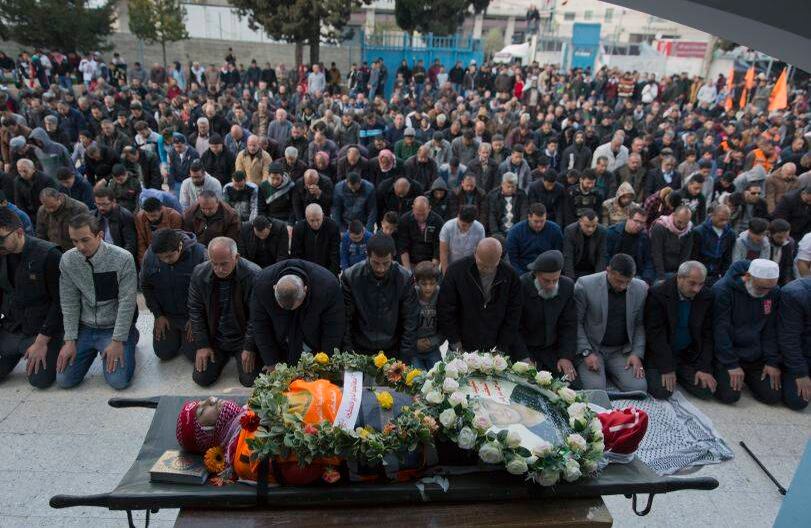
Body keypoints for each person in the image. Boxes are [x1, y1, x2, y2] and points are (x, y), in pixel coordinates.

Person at [56, 214, 138, 389]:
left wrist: (117, 340)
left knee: (118, 382)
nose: (80, 246)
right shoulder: (68, 260)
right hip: (85, 327)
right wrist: (69, 340)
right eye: (75, 241)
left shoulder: (123, 258)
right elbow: (69, 301)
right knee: (64, 380)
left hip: (113, 327)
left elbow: (127, 302)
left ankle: (130, 338)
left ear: (99, 235)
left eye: (85, 240)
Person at [0, 208, 63, 388]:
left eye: (1, 239)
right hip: (13, 326)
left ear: (19, 232)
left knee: (39, 380)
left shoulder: (48, 255)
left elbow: (60, 304)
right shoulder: (2, 255)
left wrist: (42, 341)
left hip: (41, 330)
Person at [187, 237, 262, 387]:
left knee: (250, 380)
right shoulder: (199, 273)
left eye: (224, 264)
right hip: (216, 337)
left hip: (242, 337)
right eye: (214, 264)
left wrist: (249, 347)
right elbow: (195, 309)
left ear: (236, 257)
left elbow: (256, 316)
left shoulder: (253, 274)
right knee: (201, 378)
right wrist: (202, 344)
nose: (219, 269)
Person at [712, 259, 783, 406]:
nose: (766, 293)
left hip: (755, 356)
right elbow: (720, 330)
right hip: (728, 354)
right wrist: (731, 364)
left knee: (772, 396)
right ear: (748, 276)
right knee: (730, 396)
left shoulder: (773, 292)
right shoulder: (723, 290)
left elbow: (770, 329)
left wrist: (772, 361)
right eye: (762, 288)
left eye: (770, 288)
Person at [574, 253, 648, 392]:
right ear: (608, 271)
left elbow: (639, 324)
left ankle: (611, 372)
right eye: (619, 281)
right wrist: (586, 352)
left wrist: (636, 353)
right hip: (593, 348)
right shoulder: (585, 285)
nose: (624, 286)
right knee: (595, 391)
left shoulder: (640, 288)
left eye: (628, 281)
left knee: (638, 387)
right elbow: (576, 323)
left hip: (620, 351)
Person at [251, 259, 345, 366]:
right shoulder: (261, 285)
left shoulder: (328, 287)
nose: (292, 310)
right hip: (280, 342)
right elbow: (260, 326)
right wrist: (271, 362)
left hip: (315, 341)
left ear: (305, 290)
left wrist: (326, 362)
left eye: (295, 306)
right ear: (274, 288)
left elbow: (334, 328)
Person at [644, 261, 716, 400]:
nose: (697, 289)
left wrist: (704, 367)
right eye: (692, 283)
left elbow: (707, 334)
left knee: (707, 390)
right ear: (679, 278)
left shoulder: (706, 296)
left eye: (701, 284)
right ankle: (673, 372)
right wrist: (667, 368)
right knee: (662, 391)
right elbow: (655, 335)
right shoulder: (658, 293)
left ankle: (681, 374)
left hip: (687, 355)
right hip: (662, 353)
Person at [341, 234, 419, 358]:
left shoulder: (404, 278)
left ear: (393, 256)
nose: (381, 269)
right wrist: (348, 355)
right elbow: (345, 320)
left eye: (386, 263)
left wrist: (405, 358)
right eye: (375, 263)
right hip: (359, 349)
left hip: (392, 349)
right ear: (368, 255)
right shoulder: (351, 277)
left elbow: (410, 320)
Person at [437, 238, 522, 352]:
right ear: (475, 252)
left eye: (491, 266)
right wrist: (455, 342)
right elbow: (446, 309)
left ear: (499, 258)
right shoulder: (456, 271)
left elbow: (513, 315)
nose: (486, 270)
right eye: (482, 265)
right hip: (460, 343)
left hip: (495, 347)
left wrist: (502, 347)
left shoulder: (510, 276)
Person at [510, 250, 578, 386]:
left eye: (555, 280)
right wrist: (523, 358)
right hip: (525, 350)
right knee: (529, 387)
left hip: (552, 350)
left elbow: (569, 325)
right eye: (546, 281)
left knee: (570, 386)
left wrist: (565, 356)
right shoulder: (521, 286)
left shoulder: (567, 286)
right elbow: (513, 328)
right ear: (536, 274)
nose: (551, 285)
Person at [141, 229, 207, 361]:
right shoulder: (150, 255)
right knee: (163, 353)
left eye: (170, 256)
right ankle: (177, 336)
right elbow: (146, 286)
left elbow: (208, 292)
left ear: (180, 246)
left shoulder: (200, 255)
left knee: (194, 355)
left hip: (192, 315)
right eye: (161, 257)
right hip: (167, 315)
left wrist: (197, 319)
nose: (166, 260)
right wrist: (158, 315)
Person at [778, 277, 811, 411]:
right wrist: (800, 373)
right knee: (798, 401)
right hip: (798, 356)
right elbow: (789, 338)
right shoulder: (795, 294)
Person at [505, 203, 563, 275]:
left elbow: (558, 255)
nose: (539, 225)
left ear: (546, 217)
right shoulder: (515, 232)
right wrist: (522, 277)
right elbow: (512, 260)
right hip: (523, 271)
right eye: (536, 221)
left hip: (548, 272)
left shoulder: (555, 230)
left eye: (542, 221)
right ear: (529, 217)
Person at [290, 204, 340, 275]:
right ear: (306, 218)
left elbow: (335, 255)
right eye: (312, 220)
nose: (316, 224)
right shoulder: (298, 229)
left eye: (318, 220)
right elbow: (295, 255)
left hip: (327, 269)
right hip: (306, 269)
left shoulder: (332, 227)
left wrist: (331, 275)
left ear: (322, 215)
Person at [691, 203, 735, 285]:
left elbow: (727, 257)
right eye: (721, 219)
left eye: (727, 220)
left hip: (717, 274)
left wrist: (724, 276)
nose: (724, 223)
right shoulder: (699, 232)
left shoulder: (730, 234)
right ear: (712, 216)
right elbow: (694, 255)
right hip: (699, 272)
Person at [650, 205, 694, 282]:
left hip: (676, 271)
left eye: (685, 223)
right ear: (673, 215)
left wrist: (680, 275)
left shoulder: (689, 230)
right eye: (679, 222)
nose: (682, 226)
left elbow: (686, 254)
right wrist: (661, 277)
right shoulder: (660, 227)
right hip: (658, 270)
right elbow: (657, 253)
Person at [397, 196, 443, 270]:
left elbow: (438, 247)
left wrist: (432, 268)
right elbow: (403, 246)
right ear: (413, 208)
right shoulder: (404, 220)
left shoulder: (438, 221)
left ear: (429, 208)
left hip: (429, 262)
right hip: (410, 261)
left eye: (424, 214)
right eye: (418, 214)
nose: (421, 218)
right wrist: (407, 270)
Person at [413, 261, 443, 370]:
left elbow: (445, 325)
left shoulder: (441, 295)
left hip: (432, 347)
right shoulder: (411, 295)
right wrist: (414, 342)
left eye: (432, 283)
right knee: (416, 379)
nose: (428, 288)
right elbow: (403, 324)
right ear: (416, 282)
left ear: (437, 282)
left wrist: (433, 341)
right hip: (414, 349)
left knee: (439, 375)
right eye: (424, 284)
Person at [438, 205, 485, 274]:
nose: (466, 228)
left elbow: (479, 252)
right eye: (463, 225)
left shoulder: (479, 228)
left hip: (469, 266)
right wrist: (446, 273)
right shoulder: (447, 227)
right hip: (451, 264)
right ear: (458, 216)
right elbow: (443, 253)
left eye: (469, 225)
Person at [93, 187, 137, 259]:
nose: (101, 208)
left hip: (120, 256)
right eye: (98, 204)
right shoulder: (93, 216)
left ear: (113, 201)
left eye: (104, 204)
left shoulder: (125, 216)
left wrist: (122, 260)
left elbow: (130, 244)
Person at [135, 197, 183, 263]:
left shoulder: (174, 217)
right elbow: (141, 242)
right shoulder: (140, 217)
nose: (151, 218)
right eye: (148, 215)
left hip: (168, 253)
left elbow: (176, 241)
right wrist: (144, 262)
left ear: (161, 210)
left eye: (154, 215)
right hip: (149, 253)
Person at [562, 209, 607, 280]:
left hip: (592, 270)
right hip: (575, 268)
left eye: (594, 226)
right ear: (580, 222)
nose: (590, 229)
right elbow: (568, 256)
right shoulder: (570, 231)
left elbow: (601, 256)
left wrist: (599, 278)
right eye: (587, 226)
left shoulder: (602, 231)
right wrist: (570, 280)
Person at [487, 172, 529, 236]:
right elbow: (492, 216)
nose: (510, 189)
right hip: (499, 231)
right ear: (502, 184)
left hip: (517, 231)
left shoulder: (522, 195)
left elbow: (524, 214)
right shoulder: (493, 195)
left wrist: (520, 230)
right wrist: (495, 233)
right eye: (508, 187)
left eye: (513, 187)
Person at [767, 219, 795, 286]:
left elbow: (788, 265)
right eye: (779, 237)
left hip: (780, 278)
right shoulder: (765, 244)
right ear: (771, 234)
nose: (783, 240)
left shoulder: (789, 244)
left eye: (786, 237)